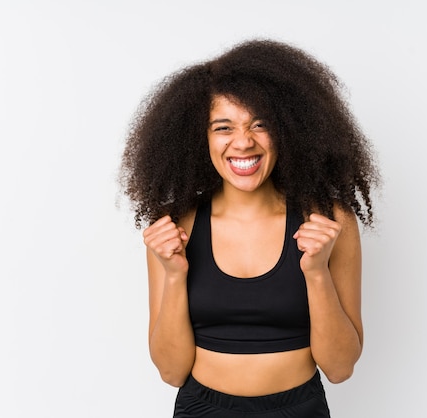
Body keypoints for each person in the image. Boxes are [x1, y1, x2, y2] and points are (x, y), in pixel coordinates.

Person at [120, 39, 379, 417]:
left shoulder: (327, 221)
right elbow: (172, 372)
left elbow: (340, 369)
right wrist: (174, 275)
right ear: (199, 138)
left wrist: (317, 272)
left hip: (300, 408)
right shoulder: (176, 227)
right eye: (223, 127)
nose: (243, 142)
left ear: (288, 131)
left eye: (261, 125)